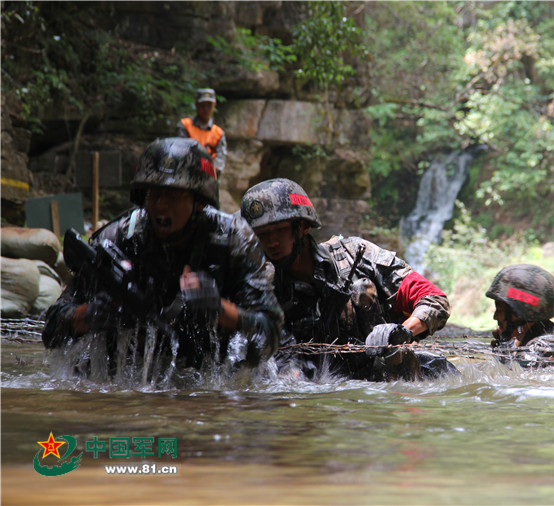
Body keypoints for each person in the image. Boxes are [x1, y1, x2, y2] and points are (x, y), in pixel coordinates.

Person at [42, 138, 282, 381]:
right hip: (123, 384)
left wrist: (222, 310)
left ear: (199, 201)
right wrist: (89, 315)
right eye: (154, 194)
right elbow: (51, 331)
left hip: (204, 385)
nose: (160, 205)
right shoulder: (119, 239)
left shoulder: (233, 241)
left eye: (173, 195)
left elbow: (270, 331)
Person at [239, 178, 457, 381]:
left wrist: (400, 331)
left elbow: (435, 300)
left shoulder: (357, 256)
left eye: (279, 230)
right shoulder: (265, 290)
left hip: (397, 385)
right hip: (330, 398)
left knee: (362, 290)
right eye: (262, 234)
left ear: (303, 226)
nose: (271, 242)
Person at [177, 88, 227, 176]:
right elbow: (180, 151)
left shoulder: (218, 133)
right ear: (196, 105)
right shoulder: (185, 125)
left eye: (209, 105)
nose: (205, 109)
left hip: (209, 176)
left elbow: (220, 158)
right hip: (186, 173)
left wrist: (212, 170)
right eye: (202, 105)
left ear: (214, 105)